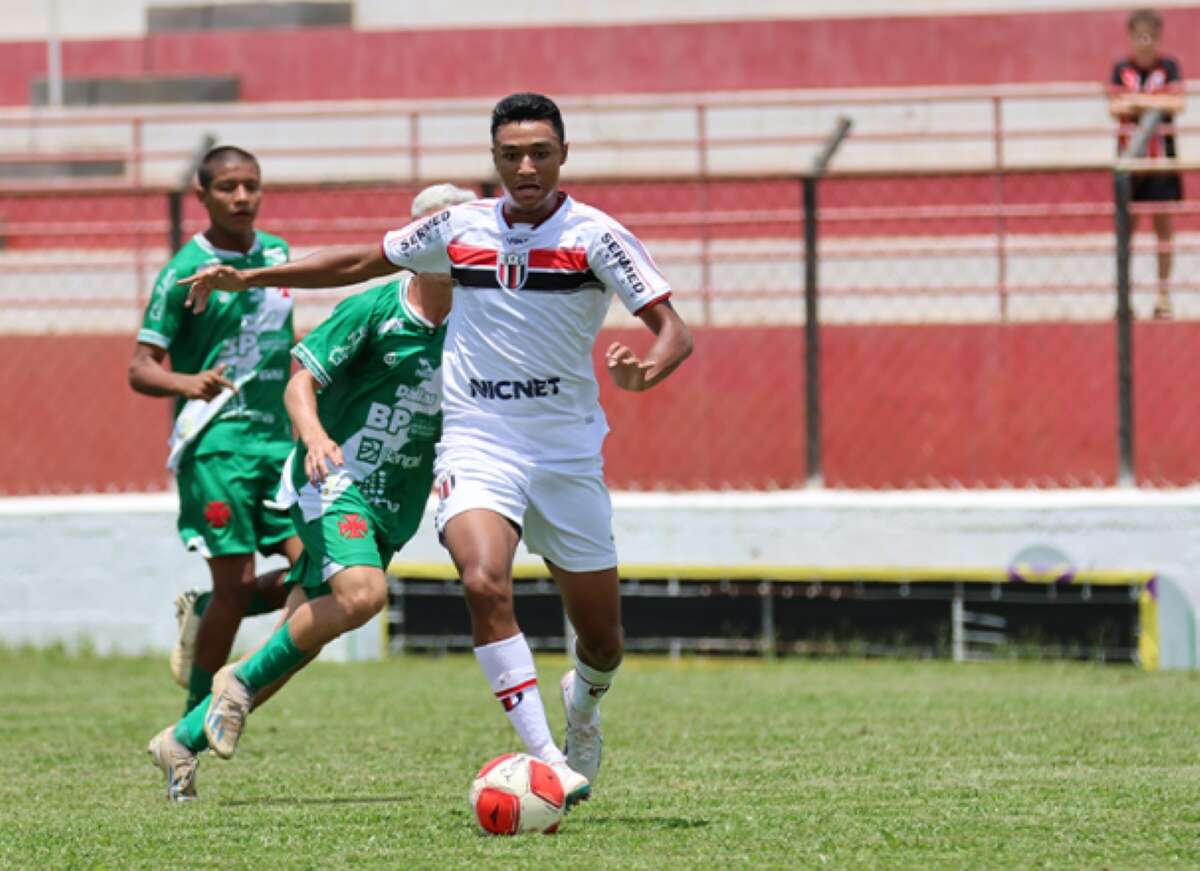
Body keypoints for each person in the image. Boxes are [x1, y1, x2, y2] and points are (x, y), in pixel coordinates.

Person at [178, 92, 695, 807]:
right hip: (479, 441)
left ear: (563, 155)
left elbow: (673, 328)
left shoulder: (597, 236)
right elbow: (358, 260)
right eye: (511, 154)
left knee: (603, 641)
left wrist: (648, 369)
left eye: (539, 152)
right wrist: (255, 275)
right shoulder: (459, 229)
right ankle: (545, 758)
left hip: (567, 452)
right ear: (494, 160)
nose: (526, 166)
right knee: (483, 580)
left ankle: (584, 706)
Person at [148, 270, 449, 801]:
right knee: (362, 595)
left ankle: (179, 740)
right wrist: (313, 437)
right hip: (332, 481)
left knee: (301, 637)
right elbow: (298, 382)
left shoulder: (479, 318)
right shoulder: (376, 310)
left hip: (393, 502)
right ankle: (234, 683)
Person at [128, 145, 302, 715]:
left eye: (251, 185)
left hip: (277, 445)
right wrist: (187, 383)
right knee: (238, 581)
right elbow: (141, 367)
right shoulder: (182, 272)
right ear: (201, 196)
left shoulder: (275, 254)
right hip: (216, 444)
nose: (242, 197)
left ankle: (206, 614)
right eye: (227, 187)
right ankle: (195, 724)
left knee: (322, 571)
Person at [1108, 8, 1187, 319]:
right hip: (1130, 163)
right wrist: (1154, 102)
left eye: (1150, 36)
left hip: (1161, 161)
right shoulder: (1121, 70)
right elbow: (1115, 107)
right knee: (1127, 230)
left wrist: (1137, 102)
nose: (1145, 42)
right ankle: (1124, 297)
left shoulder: (1169, 67)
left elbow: (1177, 102)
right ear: (1130, 38)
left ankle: (1163, 295)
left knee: (1163, 229)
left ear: (1158, 37)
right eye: (1139, 36)